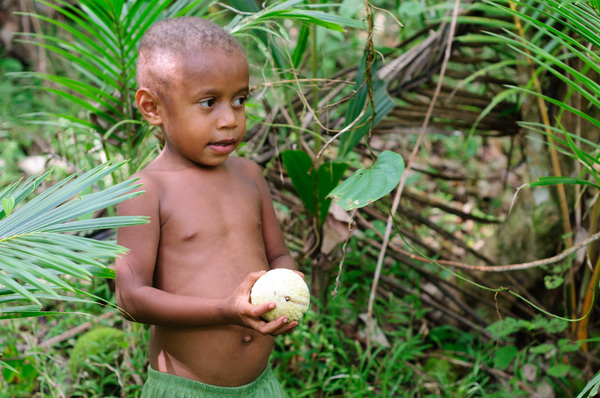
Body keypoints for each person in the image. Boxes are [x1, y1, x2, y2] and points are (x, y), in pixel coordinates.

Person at [115, 16, 299, 398]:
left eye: (240, 100)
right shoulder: (148, 189)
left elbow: (278, 254)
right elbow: (131, 298)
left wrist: (289, 290)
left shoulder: (249, 176)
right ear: (152, 108)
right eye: (208, 102)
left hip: (262, 387)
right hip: (187, 389)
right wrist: (224, 310)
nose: (230, 120)